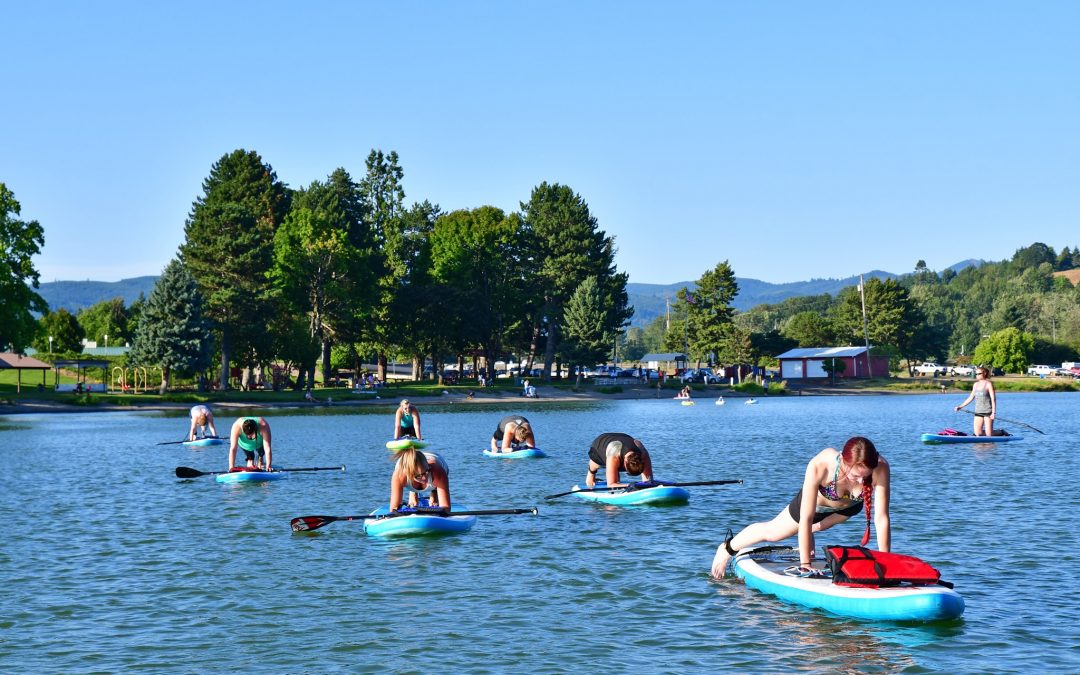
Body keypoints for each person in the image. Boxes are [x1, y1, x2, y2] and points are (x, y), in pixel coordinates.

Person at [710, 436, 890, 579]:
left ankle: (807, 542)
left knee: (812, 530)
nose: (861, 481)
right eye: (856, 476)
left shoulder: (880, 467)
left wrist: (887, 563)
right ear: (843, 461)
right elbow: (806, 518)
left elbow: (881, 518)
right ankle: (726, 549)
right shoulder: (821, 466)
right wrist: (806, 565)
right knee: (774, 533)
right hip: (816, 507)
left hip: (847, 510)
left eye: (864, 477)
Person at [585, 432, 654, 488]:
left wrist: (647, 485)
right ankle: (591, 474)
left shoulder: (642, 452)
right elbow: (611, 484)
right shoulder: (614, 453)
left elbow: (648, 480)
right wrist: (631, 486)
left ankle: (615, 473)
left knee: (615, 470)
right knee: (597, 464)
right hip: (599, 444)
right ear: (625, 462)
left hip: (623, 438)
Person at [954, 366, 996, 436]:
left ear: (984, 373)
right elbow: (971, 397)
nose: (977, 375)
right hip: (978, 411)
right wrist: (960, 406)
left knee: (989, 435)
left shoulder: (988, 384)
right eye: (976, 374)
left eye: (978, 374)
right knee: (978, 433)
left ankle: (1001, 432)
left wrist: (993, 413)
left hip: (988, 411)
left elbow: (993, 399)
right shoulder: (975, 385)